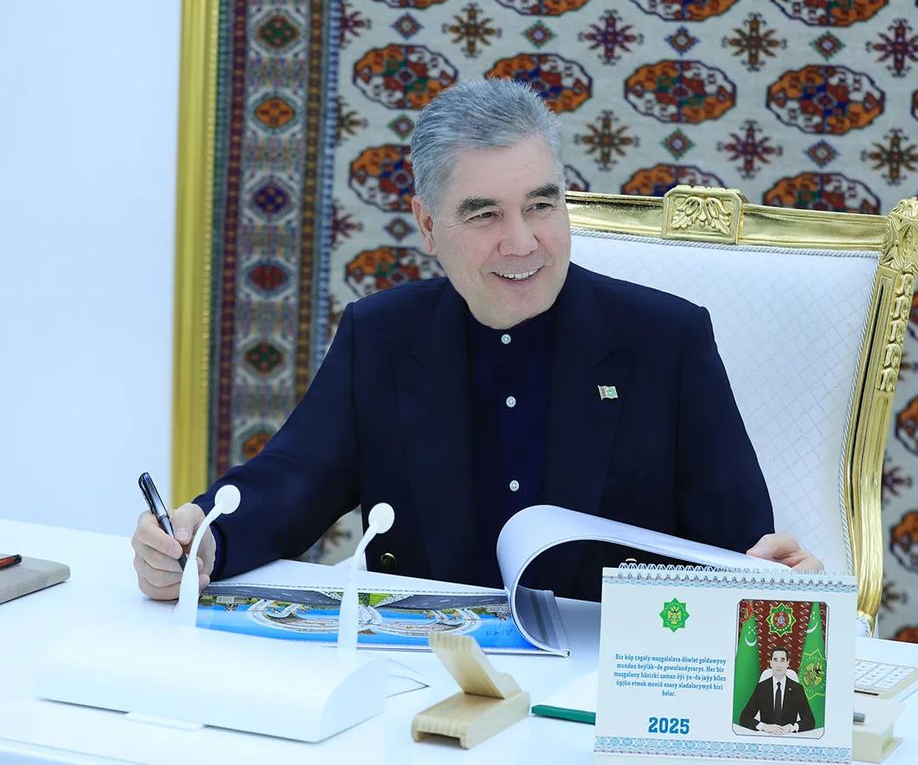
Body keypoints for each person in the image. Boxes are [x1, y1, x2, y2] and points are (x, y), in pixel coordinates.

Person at [131, 79, 822, 602]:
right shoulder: (382, 335)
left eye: (541, 205)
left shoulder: (667, 340)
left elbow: (746, 554)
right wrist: (201, 542)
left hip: (605, 687)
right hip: (421, 675)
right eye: (485, 214)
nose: (522, 242)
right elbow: (290, 481)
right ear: (428, 225)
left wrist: (781, 579)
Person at [738, 647, 816, 734]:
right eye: (775, 660)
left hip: (789, 737)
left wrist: (791, 727)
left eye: (782, 660)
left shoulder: (797, 689)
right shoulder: (762, 688)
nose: (779, 665)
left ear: (788, 663)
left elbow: (810, 721)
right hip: (767, 736)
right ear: (770, 663)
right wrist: (764, 727)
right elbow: (744, 718)